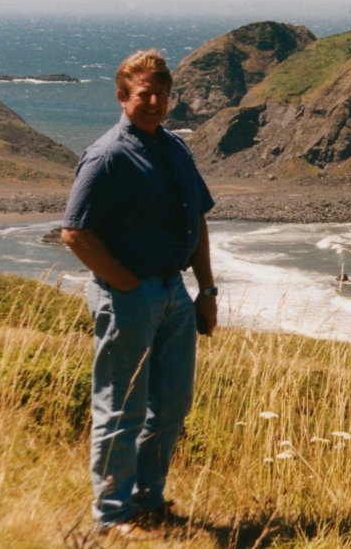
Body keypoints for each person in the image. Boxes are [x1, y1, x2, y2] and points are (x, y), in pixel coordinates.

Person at [61, 49, 217, 536]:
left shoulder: (174, 148)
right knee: (121, 406)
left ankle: (148, 500)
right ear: (122, 96)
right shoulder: (106, 156)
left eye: (161, 94)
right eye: (143, 93)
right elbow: (75, 232)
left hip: (175, 292)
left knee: (172, 404)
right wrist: (127, 284)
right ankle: (111, 516)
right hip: (128, 297)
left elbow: (198, 219)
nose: (152, 101)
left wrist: (206, 289)